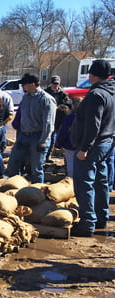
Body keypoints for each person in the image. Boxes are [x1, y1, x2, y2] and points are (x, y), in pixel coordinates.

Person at [70, 60, 115, 237]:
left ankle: (87, 223)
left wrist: (84, 148)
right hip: (107, 142)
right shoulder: (111, 92)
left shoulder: (96, 94)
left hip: (93, 145)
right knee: (101, 181)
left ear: (93, 75)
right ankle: (102, 217)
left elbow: (92, 125)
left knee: (84, 183)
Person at [5, 73, 56, 183]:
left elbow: (48, 123)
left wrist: (43, 141)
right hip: (23, 135)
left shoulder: (46, 99)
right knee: (13, 164)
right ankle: (14, 187)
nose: (22, 87)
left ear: (32, 84)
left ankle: (37, 193)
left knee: (36, 168)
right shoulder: (26, 98)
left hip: (38, 136)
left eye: (24, 84)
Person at [55, 98, 81, 178]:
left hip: (70, 146)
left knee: (71, 168)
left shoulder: (70, 118)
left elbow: (64, 132)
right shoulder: (88, 117)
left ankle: (72, 186)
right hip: (84, 147)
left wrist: (58, 144)